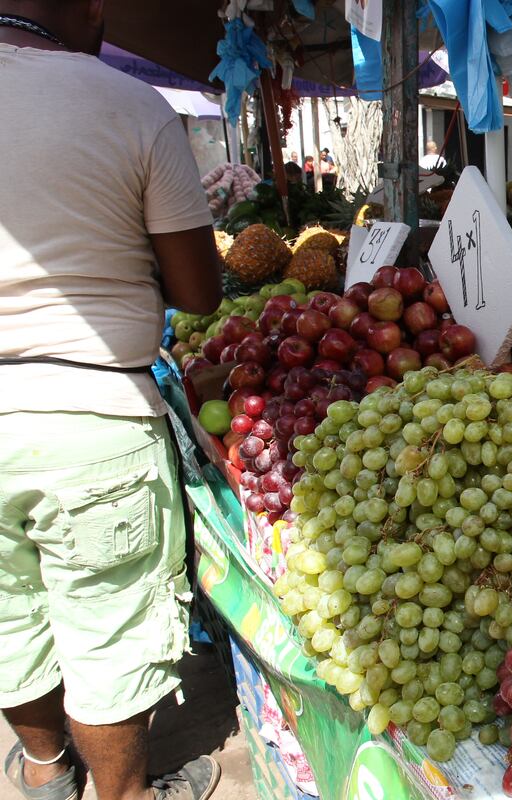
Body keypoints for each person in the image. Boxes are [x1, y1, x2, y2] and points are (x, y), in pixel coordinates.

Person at [0, 2, 224, 800]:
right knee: (109, 636)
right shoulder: (128, 106)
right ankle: (126, 795)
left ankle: (44, 770)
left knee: (8, 619)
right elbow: (198, 292)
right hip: (90, 412)